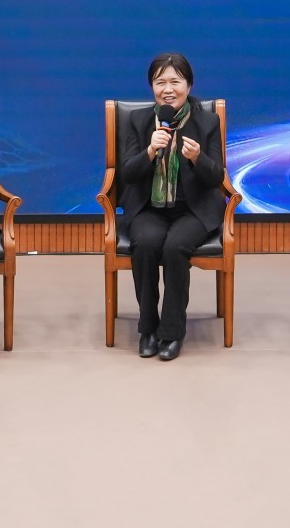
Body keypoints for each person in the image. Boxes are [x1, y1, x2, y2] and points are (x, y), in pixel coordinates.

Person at [115, 53, 226, 362]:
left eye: (175, 82)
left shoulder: (208, 121)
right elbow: (127, 174)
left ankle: (173, 332)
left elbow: (217, 177)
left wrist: (198, 158)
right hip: (148, 208)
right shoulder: (139, 121)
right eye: (159, 82)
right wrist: (150, 150)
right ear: (151, 86)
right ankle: (148, 329)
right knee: (146, 245)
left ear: (188, 85)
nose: (167, 89)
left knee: (176, 247)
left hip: (194, 210)